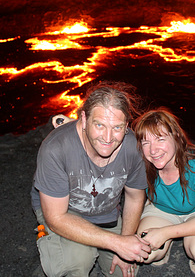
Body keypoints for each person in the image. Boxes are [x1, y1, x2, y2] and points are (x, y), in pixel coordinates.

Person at [31, 81, 151, 277]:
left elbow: (135, 197)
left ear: (127, 126)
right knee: (76, 263)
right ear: (84, 119)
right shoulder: (55, 149)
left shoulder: (132, 148)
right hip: (65, 210)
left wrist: (126, 240)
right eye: (99, 125)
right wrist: (116, 242)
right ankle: (57, 249)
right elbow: (56, 218)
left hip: (107, 212)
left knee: (124, 270)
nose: (108, 137)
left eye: (117, 127)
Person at [132, 108, 195, 276]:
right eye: (146, 143)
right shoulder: (142, 167)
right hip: (162, 210)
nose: (153, 150)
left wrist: (163, 233)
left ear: (176, 137)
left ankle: (176, 238)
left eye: (160, 139)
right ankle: (165, 245)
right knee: (146, 254)